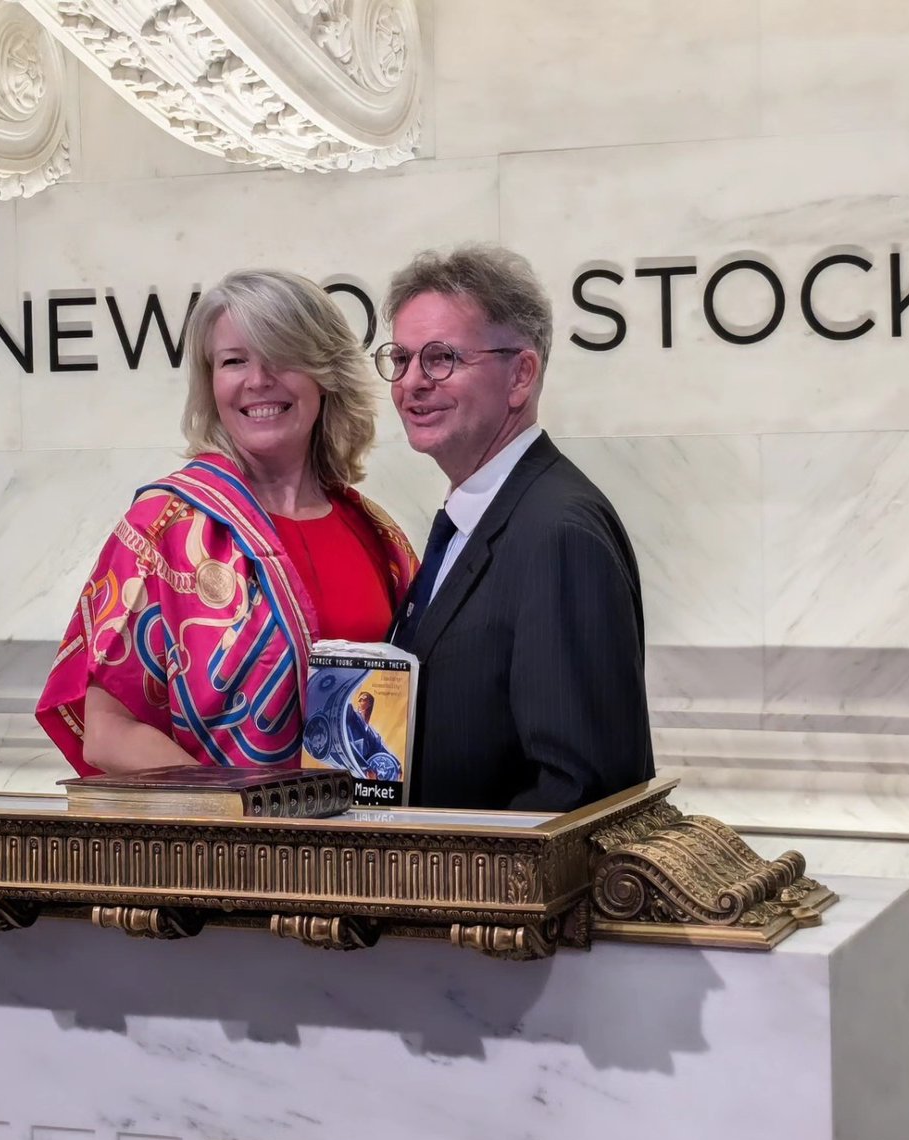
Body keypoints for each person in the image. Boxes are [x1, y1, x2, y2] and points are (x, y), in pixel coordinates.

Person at [37, 269, 416, 776]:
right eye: (234, 361)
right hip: (223, 847)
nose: (258, 380)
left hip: (368, 847)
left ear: (325, 375)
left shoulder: (374, 534)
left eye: (281, 357)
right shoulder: (164, 529)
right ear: (211, 382)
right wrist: (244, 818)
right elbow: (107, 735)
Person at [378, 244, 654, 811]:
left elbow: (579, 793)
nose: (412, 382)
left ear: (520, 375)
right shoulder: (472, 516)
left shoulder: (560, 533)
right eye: (401, 359)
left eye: (440, 358)